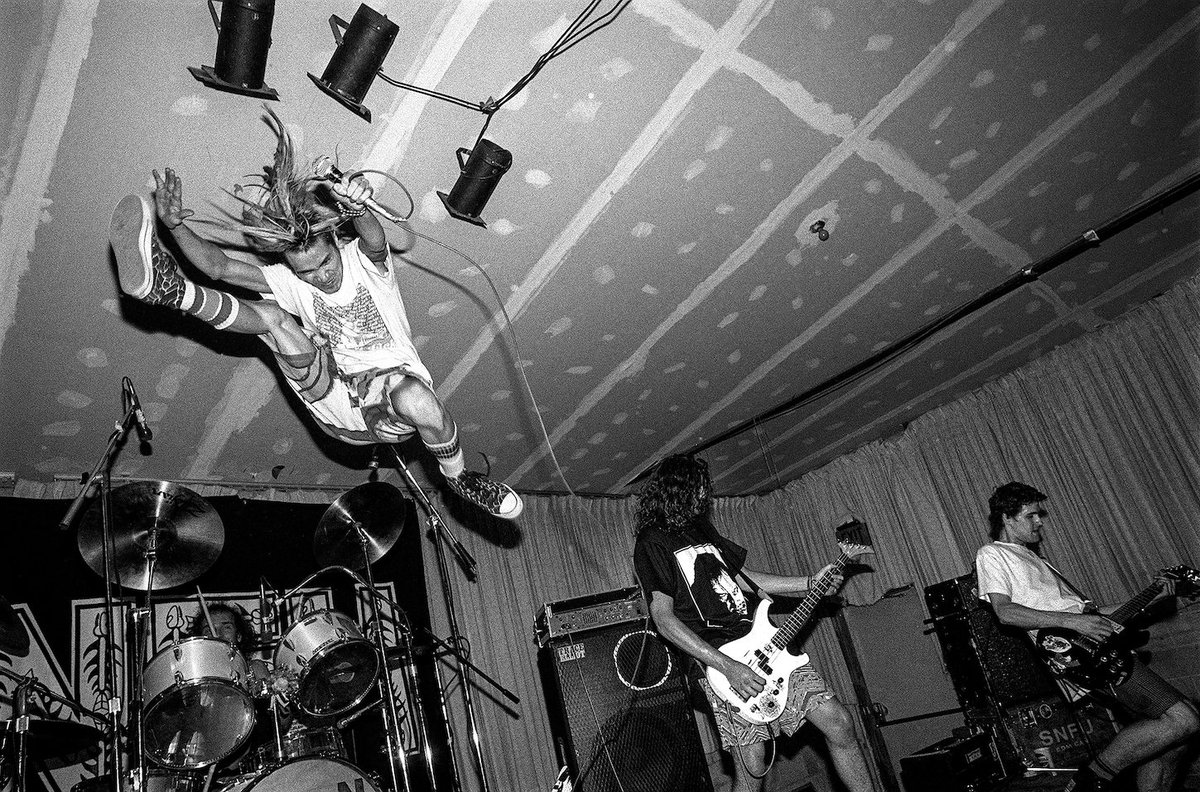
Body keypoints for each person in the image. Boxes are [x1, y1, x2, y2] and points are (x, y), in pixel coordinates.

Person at [107, 110, 521, 520]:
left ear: (335, 242)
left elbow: (374, 239)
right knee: (272, 317)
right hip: (334, 400)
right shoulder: (291, 280)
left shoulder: (365, 265)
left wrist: (356, 205)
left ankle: (461, 479)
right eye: (305, 272)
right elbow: (219, 267)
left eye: (324, 264)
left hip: (388, 396)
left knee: (414, 395)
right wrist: (176, 227)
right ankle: (172, 290)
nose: (318, 277)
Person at [632, 454, 878, 792]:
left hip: (766, 644)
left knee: (840, 723)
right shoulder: (651, 543)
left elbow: (743, 579)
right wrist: (727, 666)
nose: (705, 497)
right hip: (723, 663)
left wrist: (808, 582)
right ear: (678, 489)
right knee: (752, 771)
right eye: (699, 489)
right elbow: (663, 619)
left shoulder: (702, 528)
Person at [975, 481, 1198, 792]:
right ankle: (1092, 778)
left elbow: (1094, 615)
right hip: (1082, 654)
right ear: (1006, 517)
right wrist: (1075, 623)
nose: (1040, 521)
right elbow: (1005, 612)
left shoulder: (1035, 559)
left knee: (1174, 741)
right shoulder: (992, 554)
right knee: (1185, 720)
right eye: (1031, 516)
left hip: (1099, 644)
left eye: (1041, 515)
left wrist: (1156, 593)